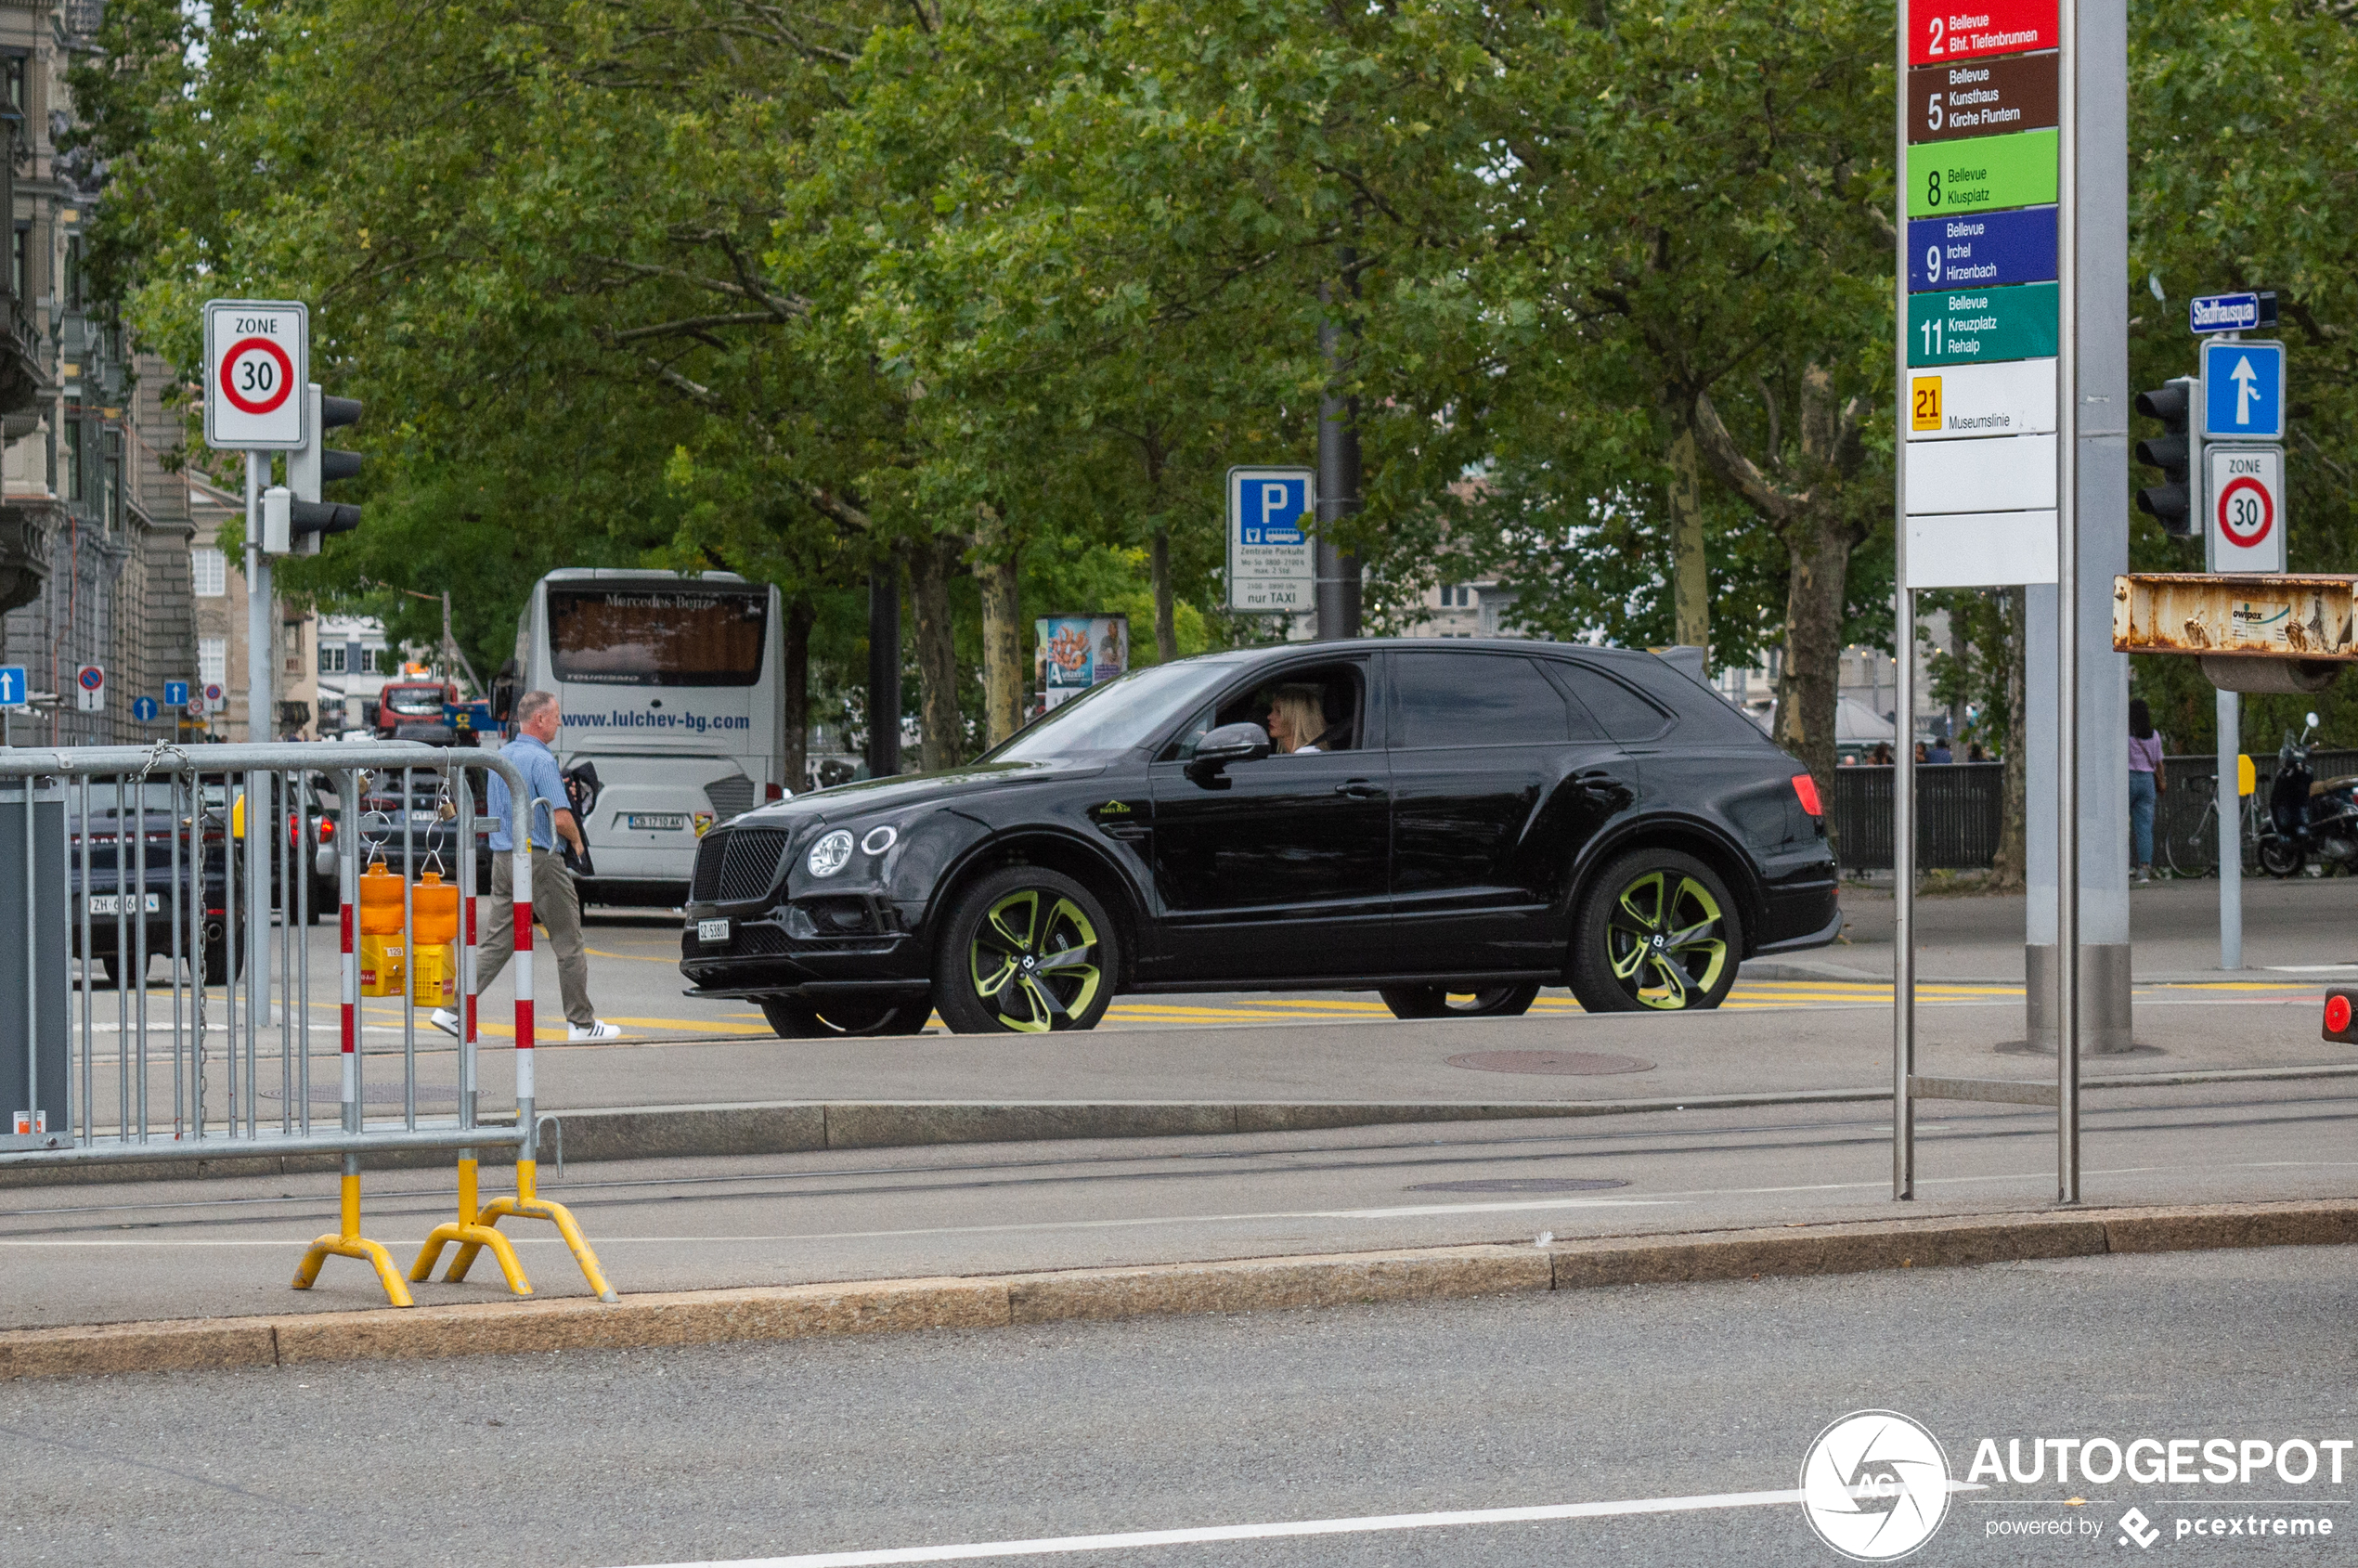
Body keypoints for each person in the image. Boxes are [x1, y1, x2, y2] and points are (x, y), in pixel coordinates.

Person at [430, 689, 619, 1041]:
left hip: (504, 859)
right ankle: (581, 1023)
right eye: (556, 715)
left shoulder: (503, 756)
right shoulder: (542, 761)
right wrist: (577, 844)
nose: (560, 722)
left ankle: (451, 1010)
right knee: (568, 940)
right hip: (539, 859)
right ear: (540, 720)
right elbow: (560, 817)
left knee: (498, 943)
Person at [2129, 696, 2166, 884]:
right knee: (2144, 827)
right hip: (2147, 782)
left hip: (2128, 778)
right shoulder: (2154, 735)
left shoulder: (2126, 735)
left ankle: (2123, 866)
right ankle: (2144, 869)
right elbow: (2159, 763)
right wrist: (2162, 780)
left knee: (2120, 825)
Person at [1265, 686, 1328, 755]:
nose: (1269, 717)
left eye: (1279, 712)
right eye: (1272, 710)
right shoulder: (1306, 756)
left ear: (1298, 719)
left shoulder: (1305, 757)